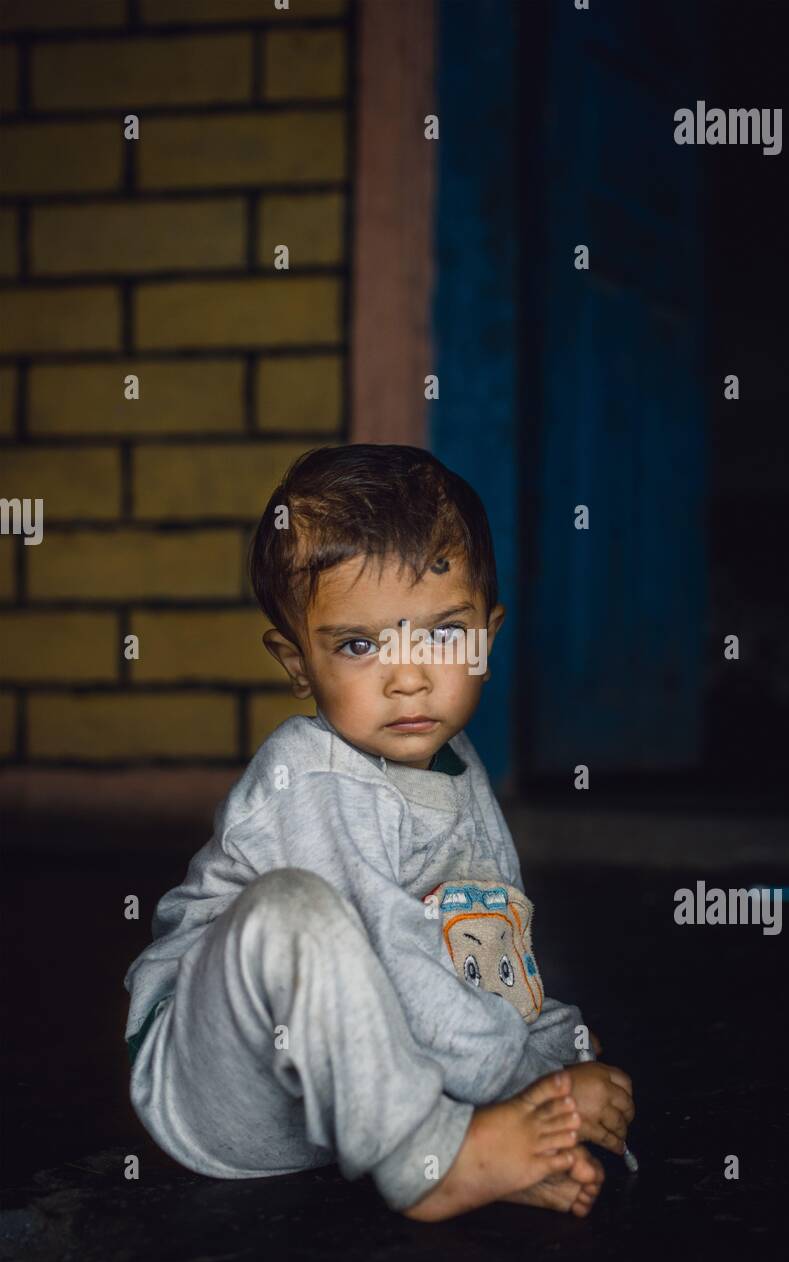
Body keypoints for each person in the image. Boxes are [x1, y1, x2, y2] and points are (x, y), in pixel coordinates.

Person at [124, 444, 635, 1221]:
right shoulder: (313, 774)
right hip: (222, 1083)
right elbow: (397, 960)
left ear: (487, 636)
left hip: (341, 1107)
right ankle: (433, 1162)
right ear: (298, 662)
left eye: (441, 634)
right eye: (359, 645)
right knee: (295, 910)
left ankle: (473, 1147)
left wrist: (563, 1066)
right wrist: (528, 1088)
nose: (408, 676)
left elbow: (493, 945)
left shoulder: (457, 768)